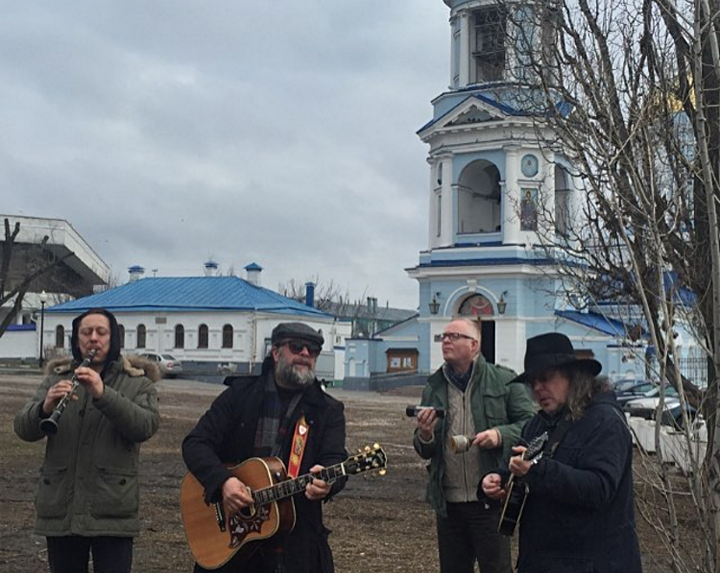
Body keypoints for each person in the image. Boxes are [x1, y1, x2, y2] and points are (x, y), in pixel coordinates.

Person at [182, 322, 347, 573]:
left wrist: (329, 482)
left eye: (312, 350)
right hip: (230, 545)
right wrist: (223, 482)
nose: (305, 354)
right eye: (296, 347)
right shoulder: (239, 396)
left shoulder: (327, 410)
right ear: (276, 352)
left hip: (296, 545)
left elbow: (334, 458)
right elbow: (196, 444)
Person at [14, 308, 161, 573]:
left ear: (112, 339)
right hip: (62, 508)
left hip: (112, 508)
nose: (93, 338)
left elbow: (144, 426)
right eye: (86, 332)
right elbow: (23, 429)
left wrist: (103, 394)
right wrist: (44, 408)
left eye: (101, 332)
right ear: (76, 338)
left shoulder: (138, 383)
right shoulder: (56, 378)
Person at [480, 332, 642, 573]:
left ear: (572, 376)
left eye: (545, 378)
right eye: (532, 383)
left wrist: (538, 471)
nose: (538, 389)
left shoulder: (605, 421)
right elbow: (517, 463)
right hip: (541, 560)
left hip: (594, 562)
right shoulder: (538, 423)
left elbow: (599, 488)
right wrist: (496, 480)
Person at [413, 317, 536, 573]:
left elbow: (531, 426)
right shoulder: (434, 386)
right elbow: (424, 449)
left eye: (454, 336)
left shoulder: (504, 381)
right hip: (449, 503)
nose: (446, 340)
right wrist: (425, 434)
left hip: (490, 500)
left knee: (496, 569)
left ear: (474, 345)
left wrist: (499, 435)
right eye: (444, 336)